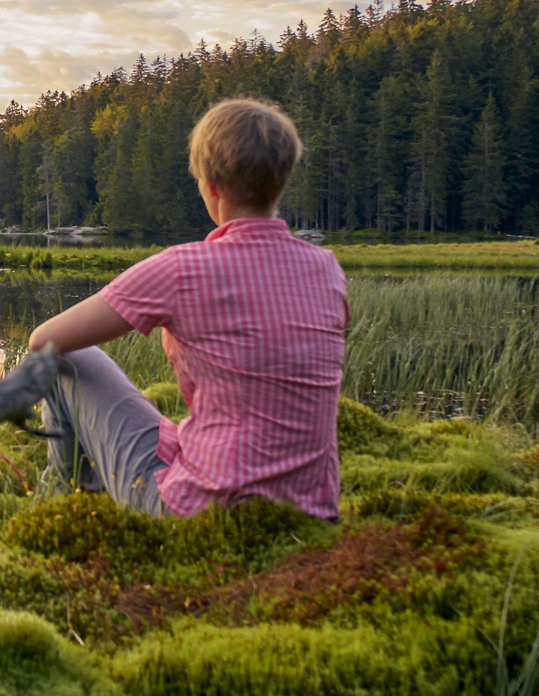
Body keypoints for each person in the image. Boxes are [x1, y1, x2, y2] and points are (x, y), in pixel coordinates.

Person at [26, 98, 346, 521]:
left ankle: (58, 507)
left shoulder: (182, 268)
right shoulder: (328, 269)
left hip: (198, 511)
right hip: (310, 511)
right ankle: (80, 499)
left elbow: (43, 341)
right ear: (281, 181)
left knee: (65, 356)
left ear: (211, 185)